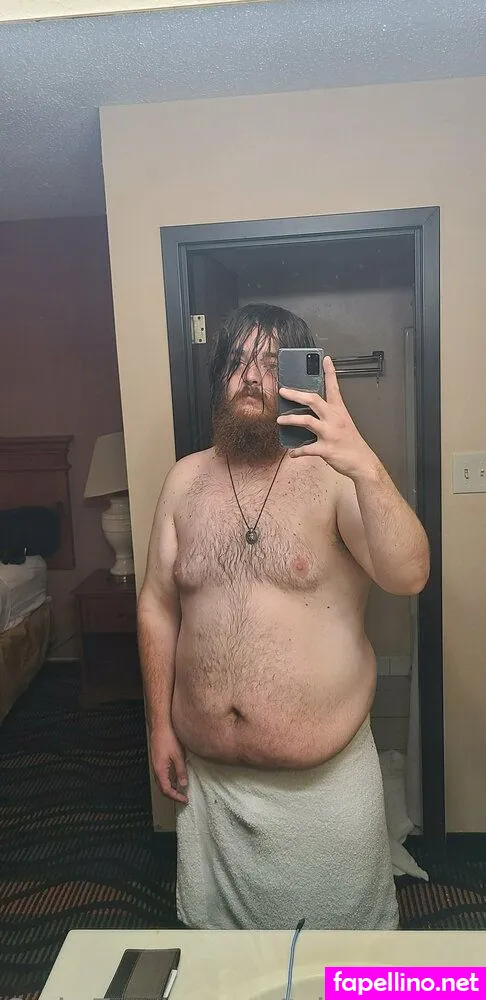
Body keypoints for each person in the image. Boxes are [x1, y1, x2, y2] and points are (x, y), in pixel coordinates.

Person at [137, 303, 430, 931]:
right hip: (213, 791)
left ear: (300, 380)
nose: (251, 376)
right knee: (223, 961)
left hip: (324, 791)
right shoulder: (184, 482)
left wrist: (363, 462)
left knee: (339, 960)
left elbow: (409, 575)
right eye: (238, 361)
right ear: (219, 376)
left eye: (271, 363)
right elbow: (157, 607)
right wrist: (159, 726)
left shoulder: (333, 477)